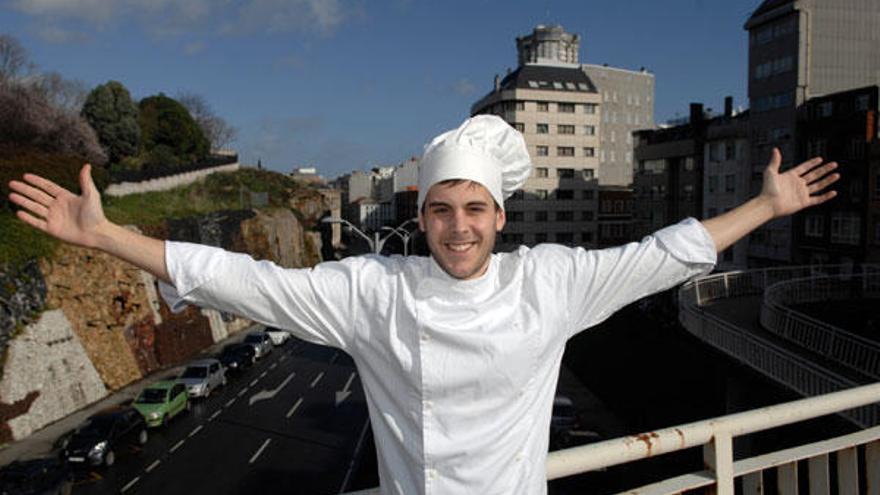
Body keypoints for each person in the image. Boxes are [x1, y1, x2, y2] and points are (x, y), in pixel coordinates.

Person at [7, 115, 838, 494]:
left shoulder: (549, 280)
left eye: (475, 209)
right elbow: (246, 280)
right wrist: (111, 238)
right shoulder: (376, 291)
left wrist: (763, 207)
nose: (458, 226)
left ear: (501, 217)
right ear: (421, 216)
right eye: (441, 209)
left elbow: (658, 256)